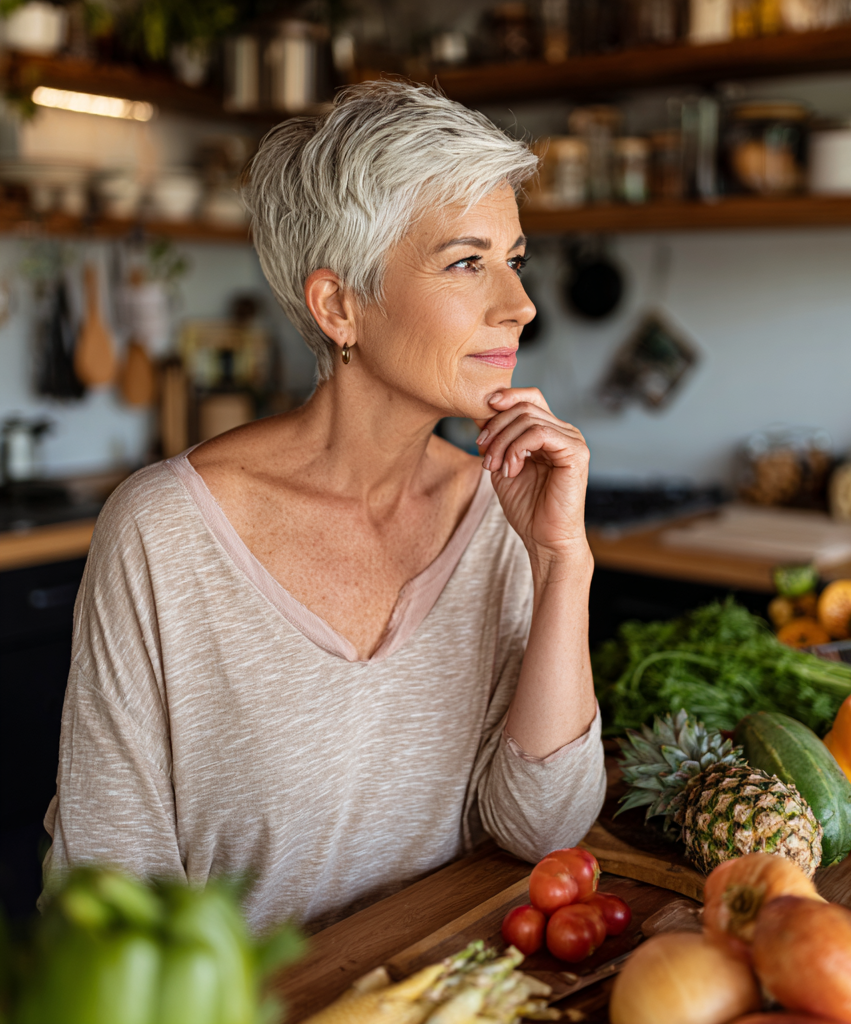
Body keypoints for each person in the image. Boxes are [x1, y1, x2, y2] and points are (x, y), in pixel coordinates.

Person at [43, 80, 606, 931]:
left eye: (514, 259)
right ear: (338, 306)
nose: (520, 304)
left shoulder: (499, 511)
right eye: (466, 262)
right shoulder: (163, 532)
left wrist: (563, 563)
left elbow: (541, 828)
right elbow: (106, 895)